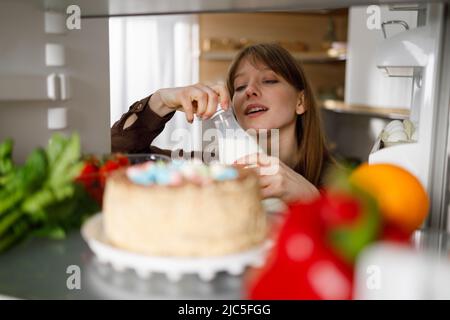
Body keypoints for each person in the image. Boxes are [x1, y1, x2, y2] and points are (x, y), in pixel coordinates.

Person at [111, 43, 334, 203]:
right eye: (239, 87)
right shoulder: (210, 171)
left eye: (268, 80)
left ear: (300, 101)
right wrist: (160, 101)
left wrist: (313, 199)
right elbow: (116, 157)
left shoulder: (343, 183)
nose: (250, 90)